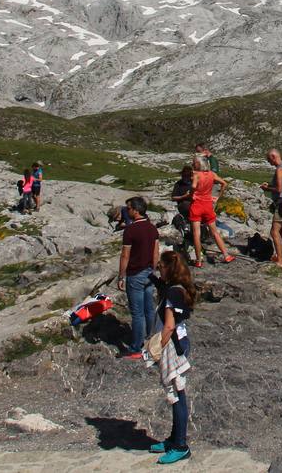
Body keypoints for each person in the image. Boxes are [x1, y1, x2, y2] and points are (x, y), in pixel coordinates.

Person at [146, 250, 196, 465]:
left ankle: (181, 446)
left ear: (168, 268)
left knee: (177, 394)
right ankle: (174, 439)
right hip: (179, 342)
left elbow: (168, 325)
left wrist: (155, 349)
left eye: (161, 267)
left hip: (173, 345)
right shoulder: (177, 289)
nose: (160, 271)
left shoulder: (173, 293)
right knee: (176, 393)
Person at [116, 197, 159, 361]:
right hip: (149, 272)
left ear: (136, 210)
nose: (127, 211)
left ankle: (136, 347)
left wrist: (121, 275)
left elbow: (125, 255)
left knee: (137, 313)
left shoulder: (130, 230)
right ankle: (151, 338)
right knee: (149, 308)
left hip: (135, 274)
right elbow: (156, 252)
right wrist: (153, 269)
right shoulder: (152, 228)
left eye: (129, 209)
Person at [188, 155, 235, 268]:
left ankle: (199, 260)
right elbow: (224, 183)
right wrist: (218, 196)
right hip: (208, 204)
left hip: (197, 205)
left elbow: (194, 186)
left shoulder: (196, 175)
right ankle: (226, 255)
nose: (192, 164)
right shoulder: (211, 174)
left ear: (198, 164)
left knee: (196, 233)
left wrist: (191, 194)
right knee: (214, 231)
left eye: (194, 163)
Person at [261, 149, 282, 269]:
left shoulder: (279, 169)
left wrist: (267, 189)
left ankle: (279, 261)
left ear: (274, 157)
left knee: (274, 232)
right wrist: (270, 185)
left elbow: (279, 189)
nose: (269, 163)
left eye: (269, 160)